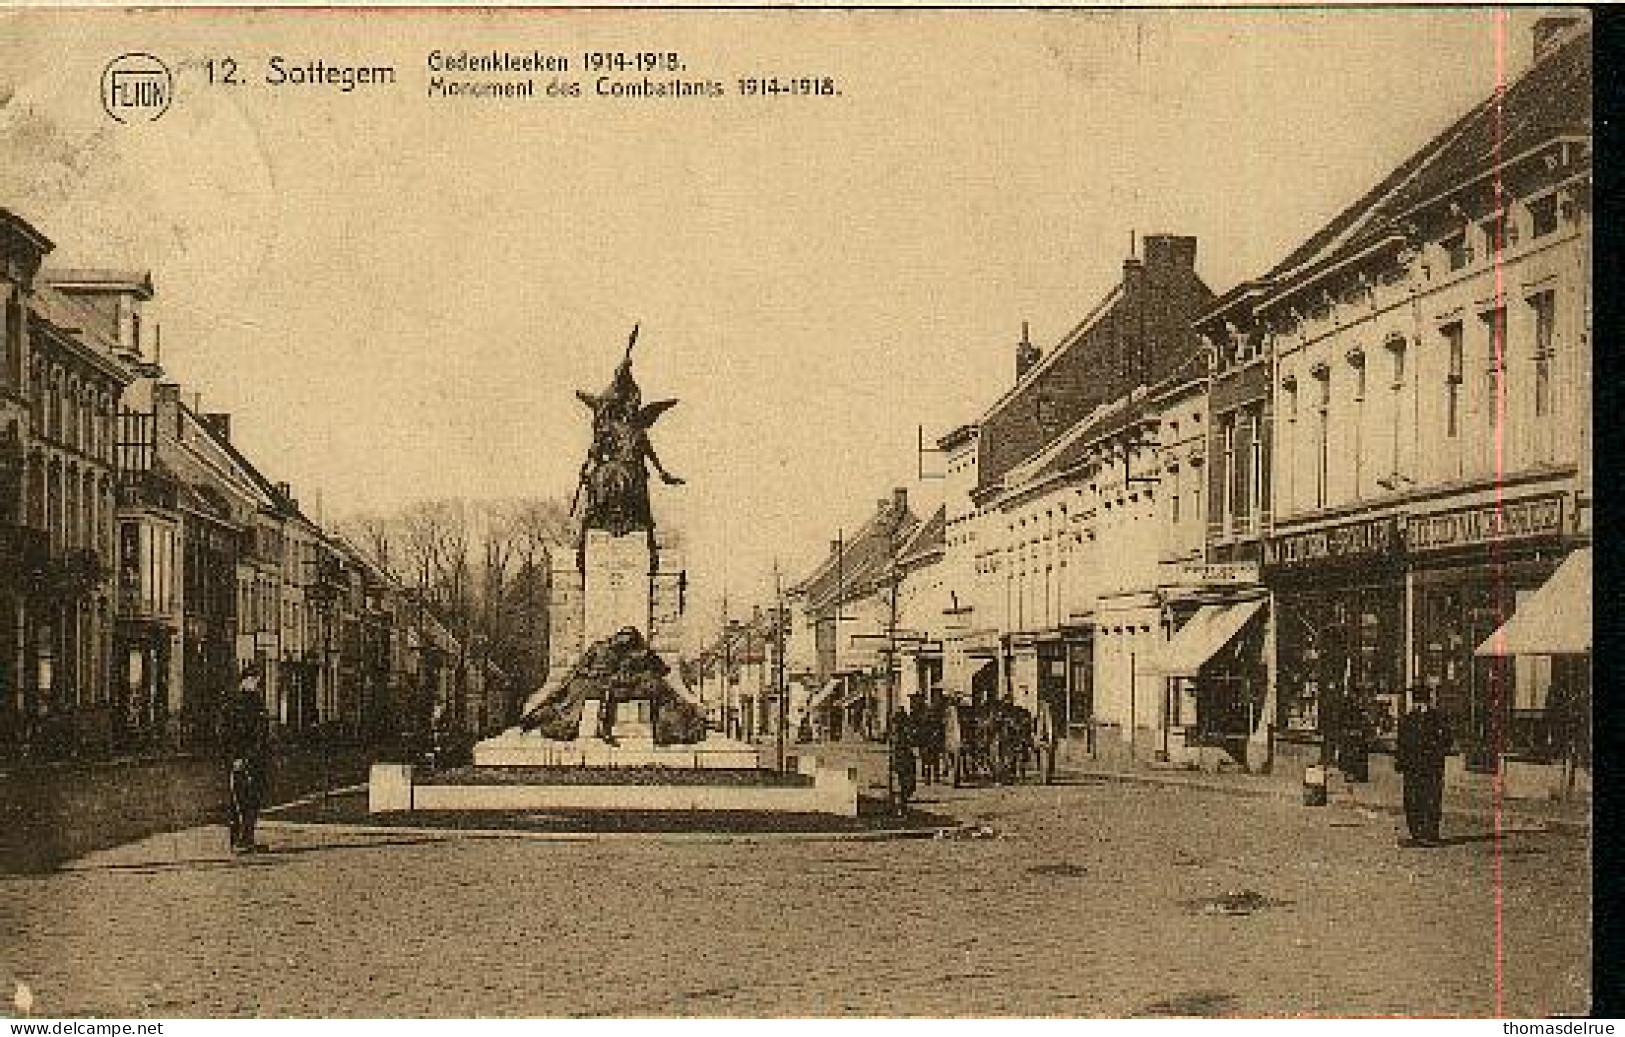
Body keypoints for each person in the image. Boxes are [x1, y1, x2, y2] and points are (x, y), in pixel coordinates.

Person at [221, 666, 272, 854]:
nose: (257, 684)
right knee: (240, 799)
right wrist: (236, 757)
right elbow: (227, 733)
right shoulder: (235, 703)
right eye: (254, 680)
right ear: (244, 680)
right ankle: (240, 841)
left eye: (257, 680)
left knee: (253, 799)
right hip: (242, 758)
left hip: (256, 758)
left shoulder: (256, 701)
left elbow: (261, 732)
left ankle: (247, 839)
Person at [1395, 686, 1452, 846]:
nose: (1419, 705)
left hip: (1430, 766)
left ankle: (1429, 833)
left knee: (1430, 798)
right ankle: (1417, 833)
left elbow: (1447, 740)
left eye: (1421, 702)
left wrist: (1437, 753)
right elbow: (1401, 743)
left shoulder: (1437, 719)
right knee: (1412, 799)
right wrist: (1401, 762)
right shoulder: (1408, 719)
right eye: (1417, 702)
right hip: (1413, 767)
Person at [889, 707, 917, 815]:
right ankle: (901, 806)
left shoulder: (897, 732)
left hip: (900, 759)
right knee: (905, 784)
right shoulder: (899, 733)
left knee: (903, 784)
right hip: (903, 759)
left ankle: (901, 805)